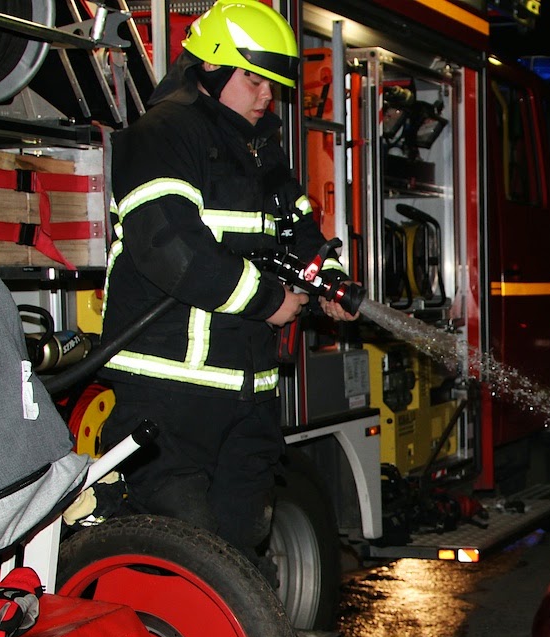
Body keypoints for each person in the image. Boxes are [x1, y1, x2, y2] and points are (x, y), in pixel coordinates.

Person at [98, 0, 358, 581]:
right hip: (168, 399)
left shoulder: (260, 150)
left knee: (239, 557)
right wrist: (270, 302)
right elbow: (171, 246)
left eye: (273, 82)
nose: (267, 94)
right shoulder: (162, 135)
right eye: (254, 77)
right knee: (181, 560)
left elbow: (298, 233)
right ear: (212, 69)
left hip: (248, 400)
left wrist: (327, 283)